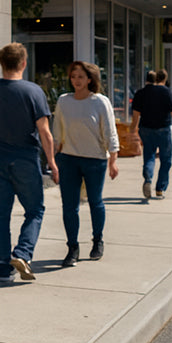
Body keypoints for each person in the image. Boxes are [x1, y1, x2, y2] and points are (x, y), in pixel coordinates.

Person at [0, 42, 59, 283]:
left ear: (1, 63)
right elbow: (45, 132)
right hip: (26, 158)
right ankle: (22, 253)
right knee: (35, 210)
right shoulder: (34, 92)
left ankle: (2, 269)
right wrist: (52, 162)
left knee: (1, 215)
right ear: (23, 63)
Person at [52, 61, 119, 267]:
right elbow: (57, 131)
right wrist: (53, 159)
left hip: (95, 160)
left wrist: (113, 161)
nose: (76, 81)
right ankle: (72, 247)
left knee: (95, 202)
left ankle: (97, 241)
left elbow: (109, 130)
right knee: (69, 206)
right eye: (73, 77)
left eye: (81, 76)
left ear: (90, 79)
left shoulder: (100, 101)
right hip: (69, 159)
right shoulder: (64, 101)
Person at [129, 68, 172, 199]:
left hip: (146, 130)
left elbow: (135, 118)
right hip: (163, 129)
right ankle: (160, 189)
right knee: (166, 160)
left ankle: (148, 178)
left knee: (149, 156)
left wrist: (133, 134)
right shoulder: (166, 92)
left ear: (146, 80)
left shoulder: (140, 94)